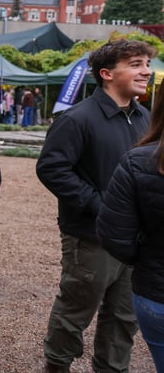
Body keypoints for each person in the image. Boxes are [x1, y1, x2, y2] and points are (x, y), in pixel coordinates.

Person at [37, 39, 155, 372]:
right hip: (92, 237)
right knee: (76, 308)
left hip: (136, 241)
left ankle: (112, 368)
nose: (146, 70)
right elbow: (51, 168)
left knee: (124, 316)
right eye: (135, 64)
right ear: (106, 73)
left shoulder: (143, 116)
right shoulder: (77, 119)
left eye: (146, 63)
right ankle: (57, 365)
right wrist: (101, 205)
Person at [98, 89, 164, 371]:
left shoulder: (139, 161)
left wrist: (148, 258)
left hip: (155, 293)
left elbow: (116, 237)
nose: (144, 71)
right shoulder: (138, 162)